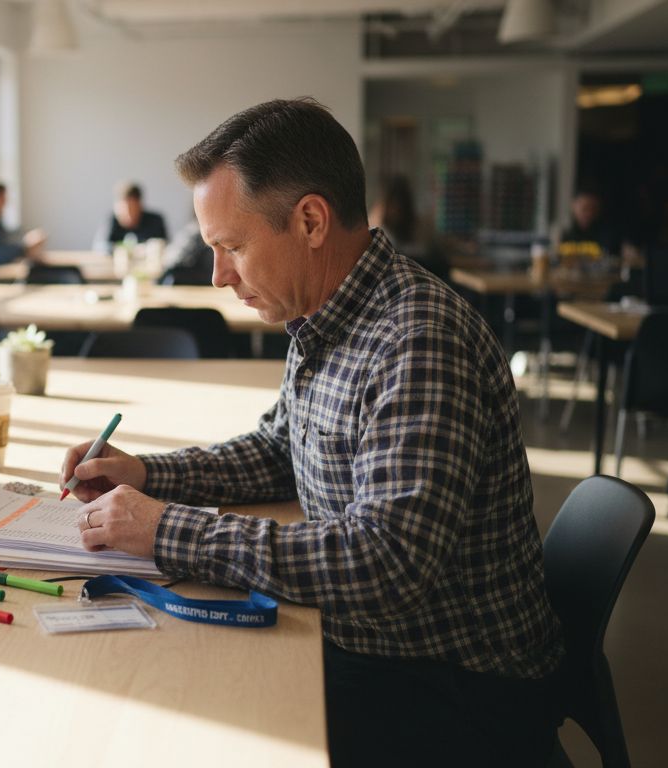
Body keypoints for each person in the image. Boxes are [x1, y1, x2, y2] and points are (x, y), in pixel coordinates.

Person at [61, 98, 563, 767]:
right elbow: (278, 451)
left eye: (232, 247)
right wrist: (146, 475)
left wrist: (166, 530)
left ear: (310, 221)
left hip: (456, 687)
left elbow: (385, 563)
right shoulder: (327, 316)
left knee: (195, 722)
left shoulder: (417, 341)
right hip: (383, 648)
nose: (218, 276)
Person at [92, 181, 169, 252]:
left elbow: (165, 245)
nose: (128, 215)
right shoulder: (111, 220)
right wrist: (127, 250)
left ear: (140, 205)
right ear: (117, 207)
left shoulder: (155, 220)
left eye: (132, 209)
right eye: (123, 210)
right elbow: (99, 246)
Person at [558, 185, 624, 264]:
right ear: (574, 206)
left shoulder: (608, 235)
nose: (589, 214)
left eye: (593, 209)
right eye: (584, 208)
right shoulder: (564, 234)